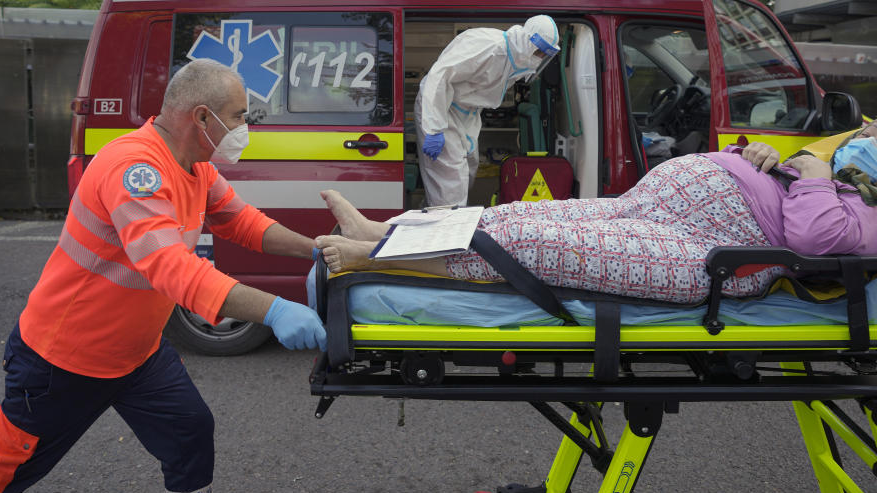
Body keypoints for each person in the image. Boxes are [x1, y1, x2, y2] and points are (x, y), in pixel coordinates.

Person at [0, 59, 326, 493]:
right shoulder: (134, 167)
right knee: (9, 468)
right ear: (202, 116)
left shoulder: (195, 164)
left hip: (136, 355)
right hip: (62, 359)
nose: (245, 128)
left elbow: (244, 223)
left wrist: (316, 250)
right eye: (239, 117)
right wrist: (274, 308)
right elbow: (170, 266)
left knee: (190, 432)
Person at [316, 128, 877, 305]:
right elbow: (804, 183)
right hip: (666, 201)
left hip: (720, 248)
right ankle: (390, 230)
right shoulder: (846, 164)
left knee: (537, 247)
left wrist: (811, 173)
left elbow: (816, 235)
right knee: (520, 216)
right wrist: (772, 158)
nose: (868, 134)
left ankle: (377, 255)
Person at [415, 15, 561, 207]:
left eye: (545, 54)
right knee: (451, 180)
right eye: (540, 51)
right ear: (529, 41)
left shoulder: (516, 58)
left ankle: (438, 216)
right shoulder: (488, 46)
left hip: (467, 113)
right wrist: (434, 128)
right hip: (440, 106)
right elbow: (439, 76)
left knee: (469, 169)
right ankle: (446, 231)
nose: (540, 57)